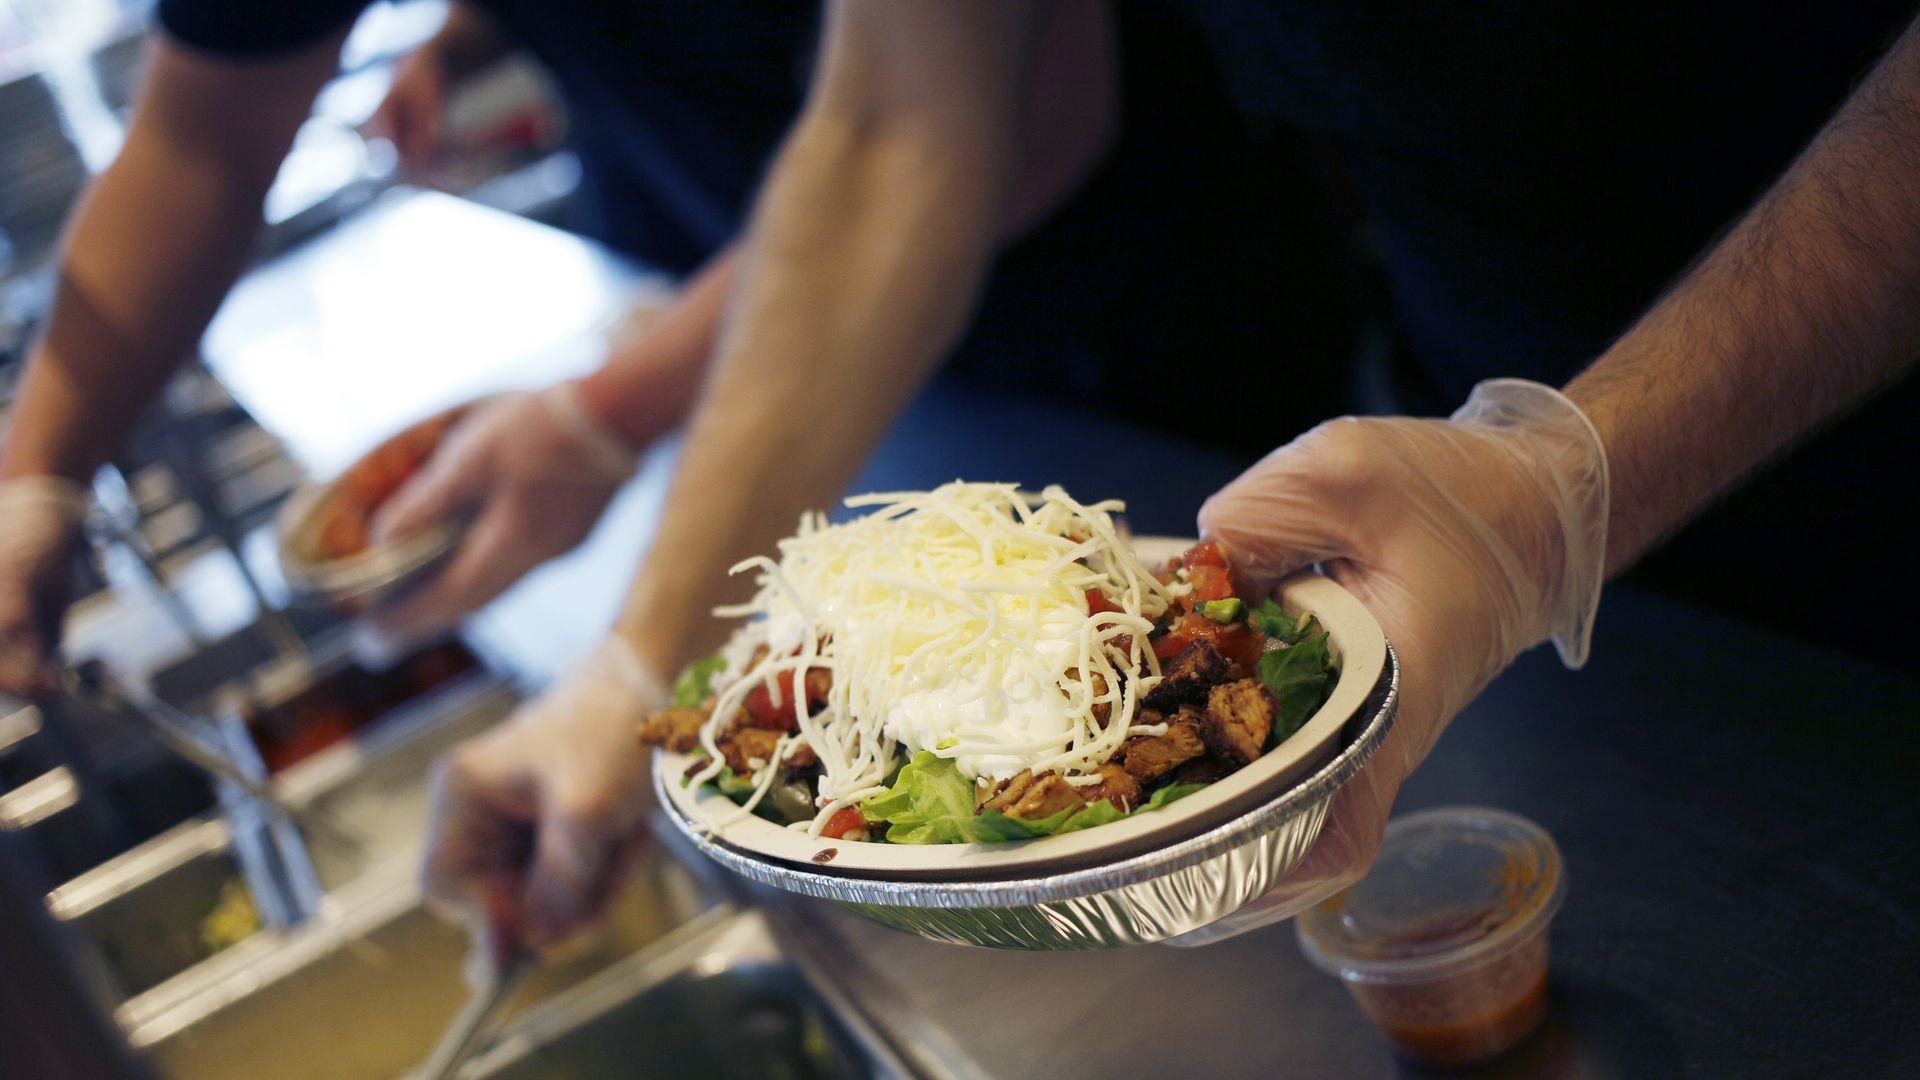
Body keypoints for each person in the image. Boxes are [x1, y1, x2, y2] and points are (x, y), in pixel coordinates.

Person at [0, 0, 1341, 948]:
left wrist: (610, 445)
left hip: (1120, 314)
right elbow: (197, 137)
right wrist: (36, 476)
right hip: (778, 287)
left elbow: (951, 119)